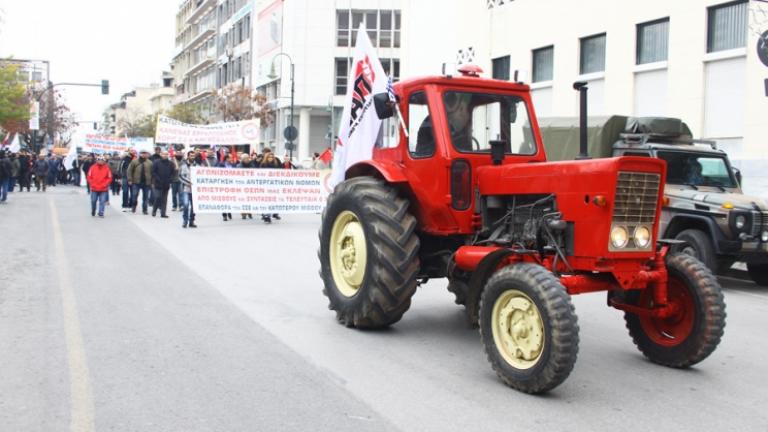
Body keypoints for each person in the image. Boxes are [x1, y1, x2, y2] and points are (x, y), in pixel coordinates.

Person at [259, 151, 282, 223]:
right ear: (266, 157)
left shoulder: (276, 164)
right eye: (269, 157)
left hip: (274, 185)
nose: (270, 158)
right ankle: (266, 216)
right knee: (266, 201)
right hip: (265, 185)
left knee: (273, 201)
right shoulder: (263, 164)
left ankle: (271, 214)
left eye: (272, 157)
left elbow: (280, 174)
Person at [127, 150, 153, 214]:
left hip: (147, 182)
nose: (144, 155)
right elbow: (129, 170)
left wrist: (152, 181)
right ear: (140, 154)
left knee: (146, 197)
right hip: (136, 182)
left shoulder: (150, 162)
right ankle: (134, 206)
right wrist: (130, 179)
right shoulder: (134, 161)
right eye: (142, 153)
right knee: (134, 195)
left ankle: (145, 209)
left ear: (147, 154)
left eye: (145, 153)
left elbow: (152, 173)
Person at [151, 150, 175, 218]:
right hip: (158, 183)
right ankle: (154, 210)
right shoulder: (156, 162)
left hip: (166, 184)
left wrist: (170, 180)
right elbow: (153, 172)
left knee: (164, 199)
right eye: (163, 154)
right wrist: (157, 179)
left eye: (166, 154)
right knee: (157, 197)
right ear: (161, 154)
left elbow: (173, 173)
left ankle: (163, 213)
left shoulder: (170, 163)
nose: (165, 155)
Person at [179, 150, 197, 228]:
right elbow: (180, 176)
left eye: (193, 156)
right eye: (191, 156)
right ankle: (185, 220)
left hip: (195, 190)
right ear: (188, 156)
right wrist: (188, 183)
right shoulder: (183, 166)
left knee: (194, 206)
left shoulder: (197, 165)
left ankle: (191, 221)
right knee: (186, 205)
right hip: (186, 189)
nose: (192, 157)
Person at [216, 154, 235, 221]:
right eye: (230, 158)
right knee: (224, 200)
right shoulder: (221, 164)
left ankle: (229, 211)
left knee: (229, 199)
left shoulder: (233, 165)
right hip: (223, 184)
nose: (231, 159)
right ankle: (224, 215)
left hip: (231, 184)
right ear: (226, 158)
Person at [238, 153, 255, 220]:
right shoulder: (239, 166)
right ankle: (243, 213)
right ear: (242, 159)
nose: (247, 159)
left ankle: (249, 212)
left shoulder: (252, 165)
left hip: (250, 185)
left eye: (247, 158)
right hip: (242, 185)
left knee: (249, 199)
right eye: (245, 158)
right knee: (243, 200)